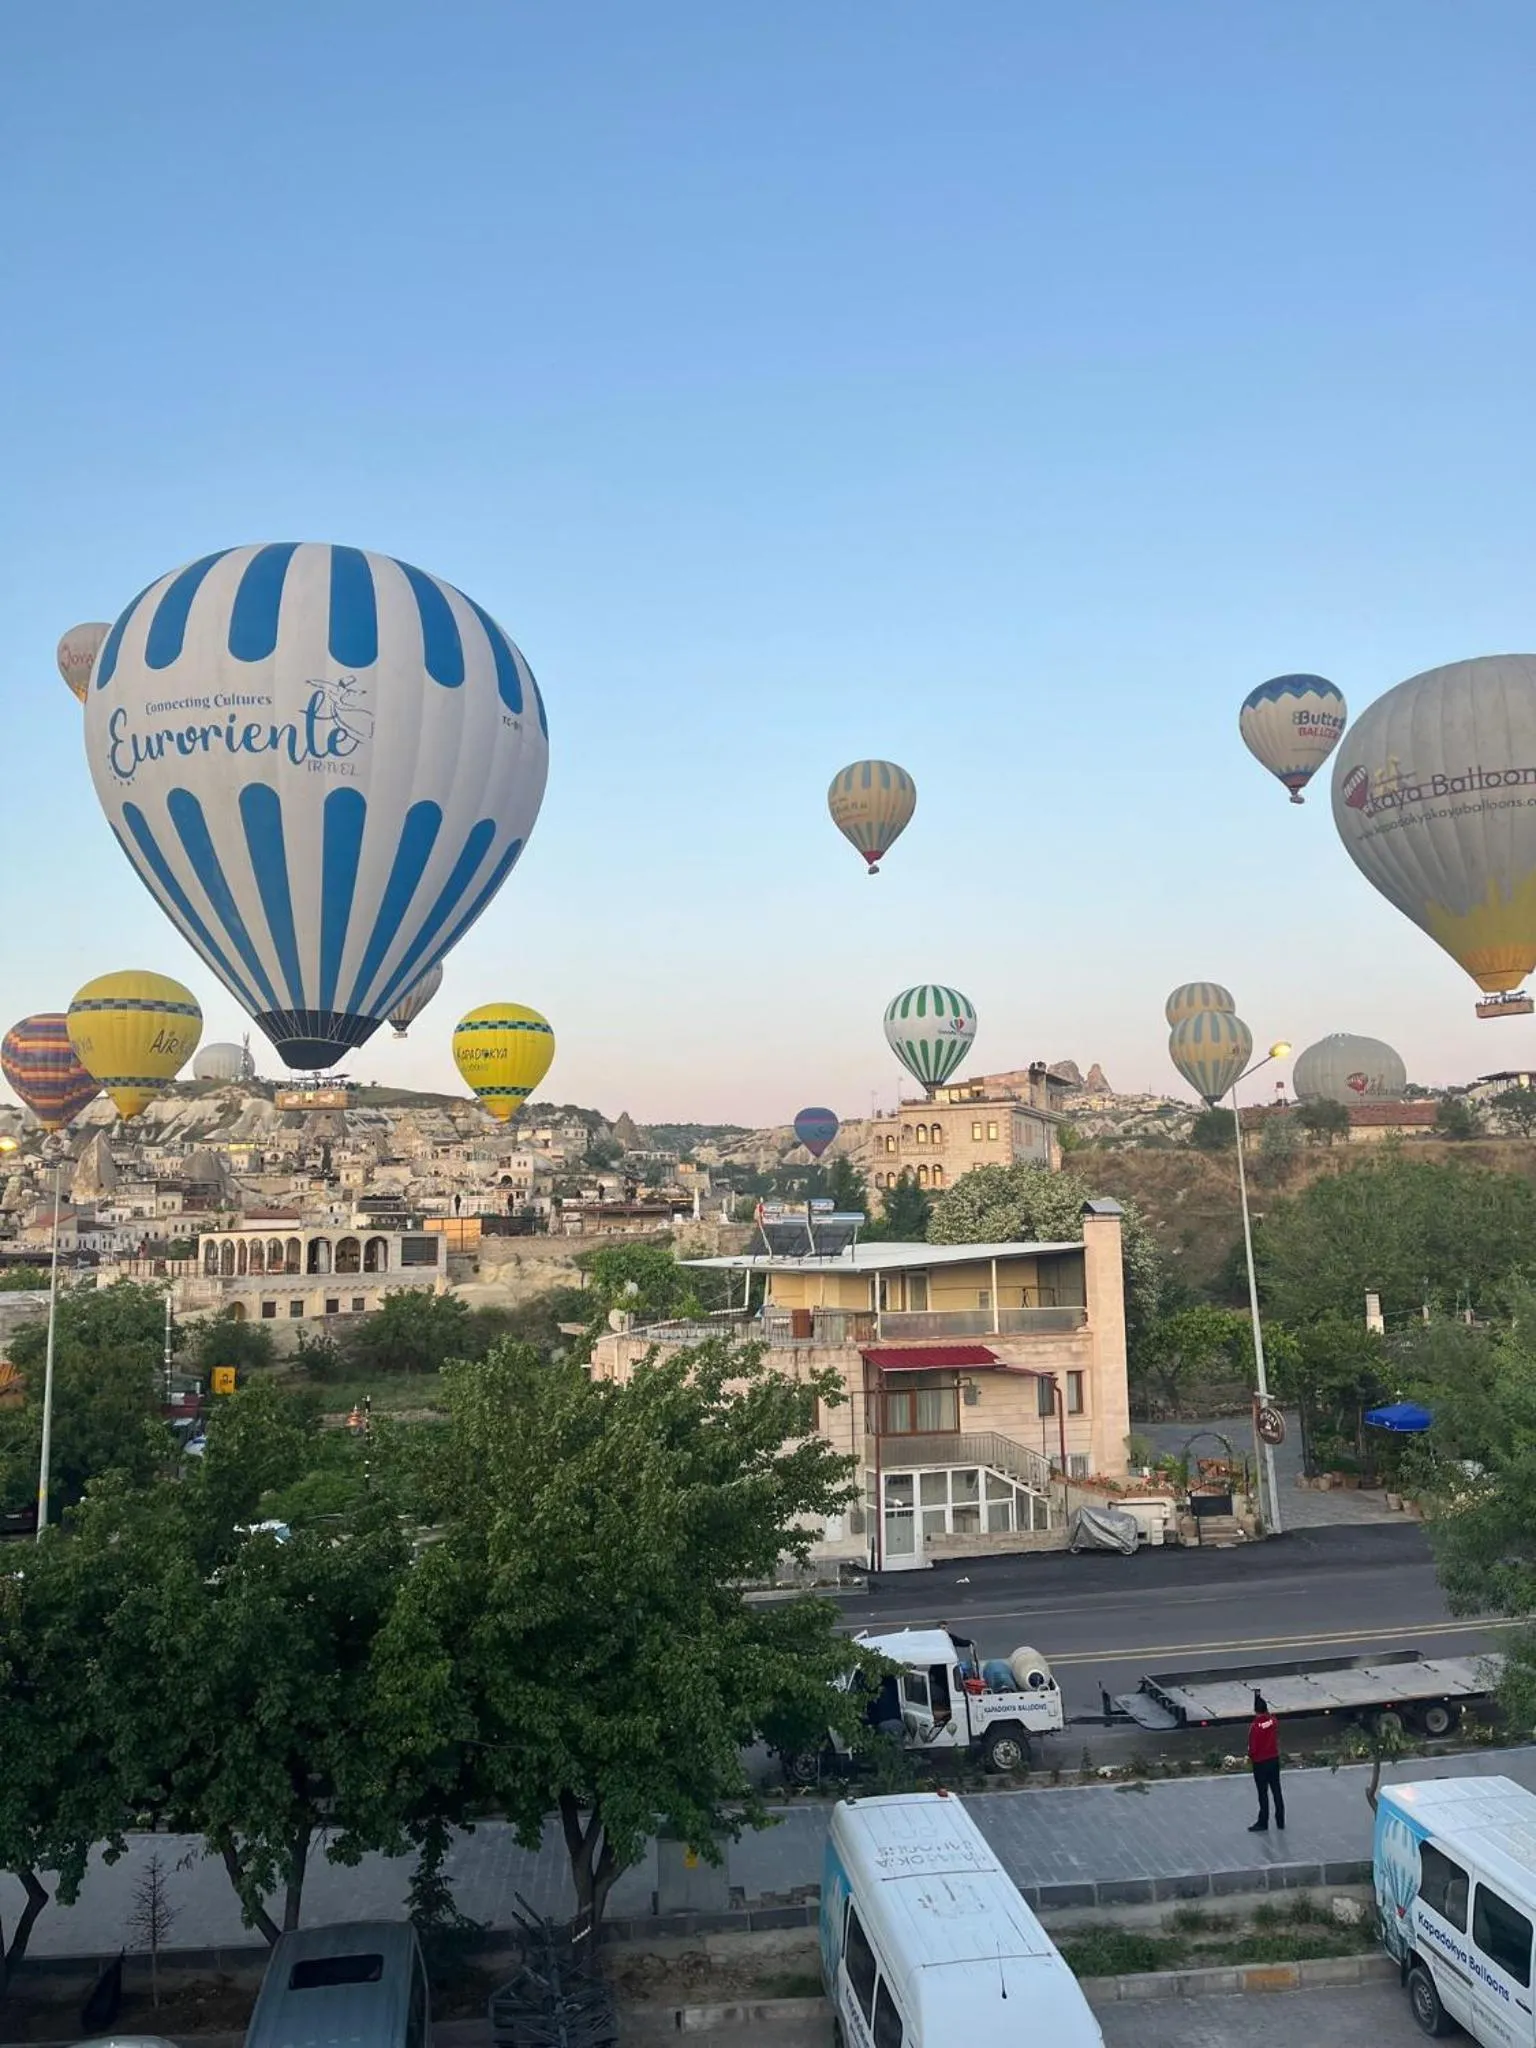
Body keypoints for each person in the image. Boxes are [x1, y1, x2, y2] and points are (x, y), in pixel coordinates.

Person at [1247, 1691, 1285, 1831]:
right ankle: (1280, 1820)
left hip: (1260, 1763)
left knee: (1263, 1793)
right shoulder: (1273, 1721)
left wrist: (1250, 1756)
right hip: (1274, 1760)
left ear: (1255, 1711)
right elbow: (1270, 1720)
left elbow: (1253, 1748)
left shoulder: (1255, 1727)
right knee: (1276, 1790)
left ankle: (1263, 1822)